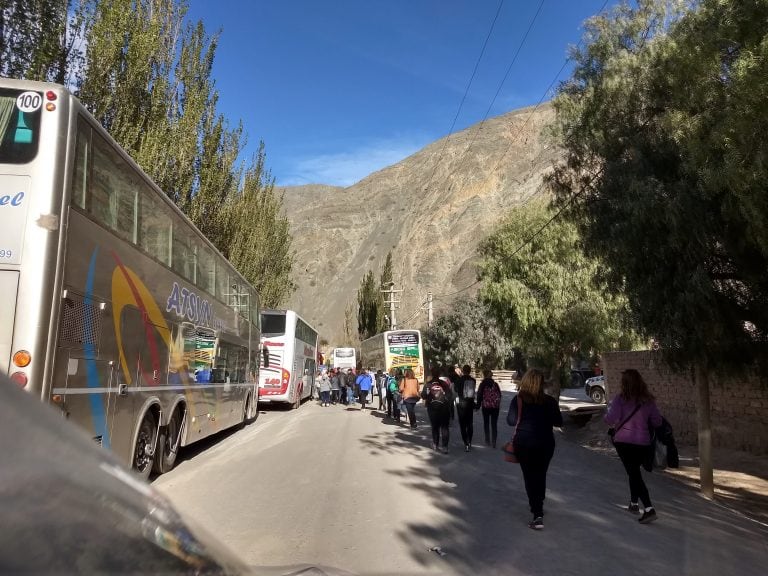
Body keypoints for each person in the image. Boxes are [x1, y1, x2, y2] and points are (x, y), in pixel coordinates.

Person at [507, 368, 563, 530]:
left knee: (529, 476)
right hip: (545, 444)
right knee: (540, 473)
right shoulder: (550, 401)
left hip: (524, 444)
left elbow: (510, 421)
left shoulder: (518, 400)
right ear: (542, 384)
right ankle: (539, 501)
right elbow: (559, 422)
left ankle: (537, 513)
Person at [605, 369, 663, 524]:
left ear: (624, 383)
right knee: (634, 471)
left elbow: (611, 419)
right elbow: (657, 421)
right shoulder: (648, 401)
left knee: (634, 474)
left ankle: (649, 508)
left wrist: (607, 414)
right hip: (642, 442)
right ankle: (634, 503)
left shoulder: (620, 399)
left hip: (623, 442)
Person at [422, 366, 452, 453]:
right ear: (439, 374)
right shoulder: (444, 384)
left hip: (432, 408)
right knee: (444, 427)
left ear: (431, 373)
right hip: (444, 408)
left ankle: (435, 444)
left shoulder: (428, 384)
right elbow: (450, 395)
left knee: (435, 427)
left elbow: (423, 396)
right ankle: (445, 447)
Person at [476, 369, 502, 448]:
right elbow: (499, 395)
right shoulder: (495, 384)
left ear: (484, 375)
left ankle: (487, 440)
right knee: (494, 424)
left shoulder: (482, 384)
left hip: (486, 406)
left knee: (486, 423)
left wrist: (478, 405)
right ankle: (494, 441)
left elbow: (479, 395)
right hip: (495, 407)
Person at [455, 364, 477, 452]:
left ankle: (466, 443)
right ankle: (470, 441)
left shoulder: (459, 380)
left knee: (462, 424)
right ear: (470, 371)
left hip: (461, 404)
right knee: (470, 423)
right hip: (470, 403)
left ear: (463, 371)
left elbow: (456, 390)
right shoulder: (473, 380)